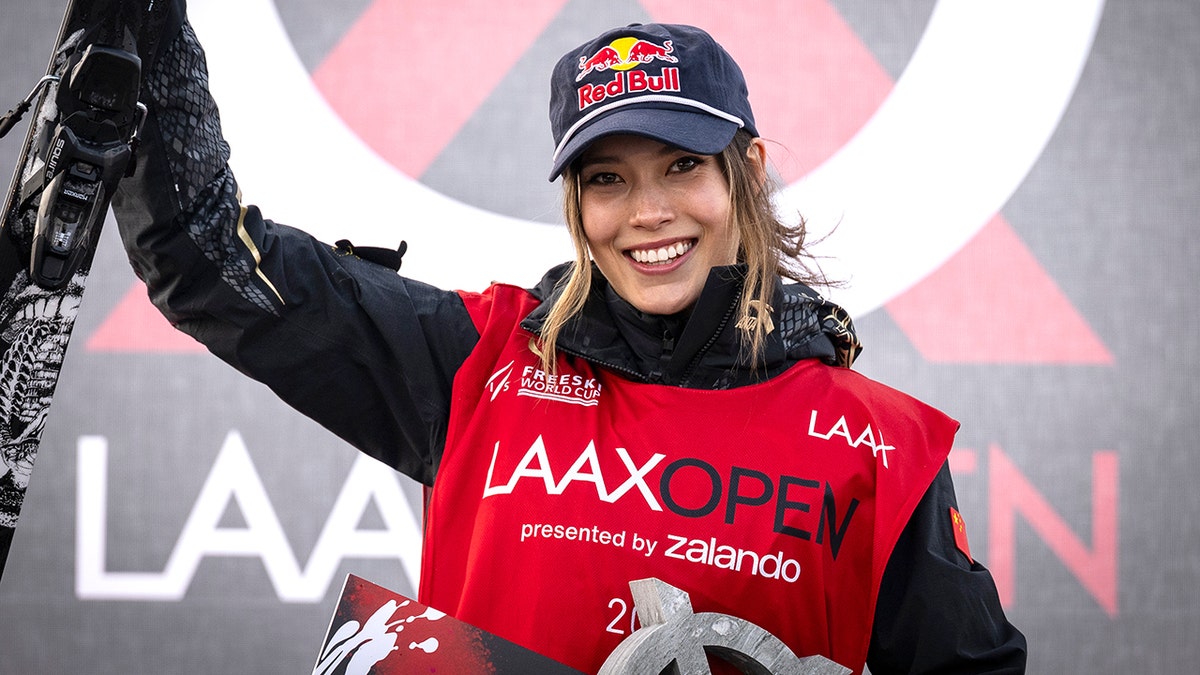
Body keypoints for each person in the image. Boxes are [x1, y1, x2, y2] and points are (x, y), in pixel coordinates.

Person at [112, 5, 1026, 673]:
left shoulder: (881, 445)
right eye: (608, 179)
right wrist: (138, 30)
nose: (650, 212)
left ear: (745, 171)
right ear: (575, 203)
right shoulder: (480, 359)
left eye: (681, 165)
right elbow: (210, 266)